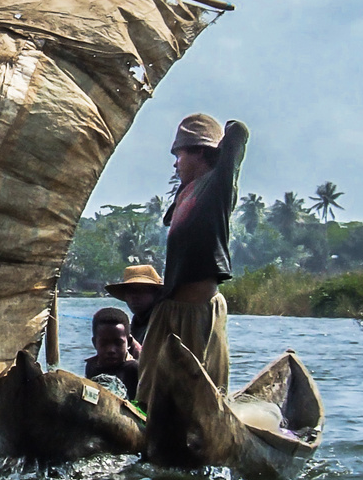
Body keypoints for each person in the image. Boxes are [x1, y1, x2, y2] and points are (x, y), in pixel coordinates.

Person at [136, 113, 248, 407]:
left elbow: (237, 135)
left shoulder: (216, 188)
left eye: (180, 154)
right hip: (169, 312)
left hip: (198, 314)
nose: (175, 163)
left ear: (199, 151)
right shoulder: (185, 194)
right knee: (149, 395)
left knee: (198, 401)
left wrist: (213, 141)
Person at [104, 264, 164, 358]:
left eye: (141, 290)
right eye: (130, 291)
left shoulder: (162, 324)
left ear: (155, 294)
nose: (134, 296)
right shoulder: (133, 326)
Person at [84, 307, 140, 399]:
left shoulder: (134, 370)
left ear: (129, 342)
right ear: (95, 343)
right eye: (104, 343)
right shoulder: (92, 366)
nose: (111, 350)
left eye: (118, 343)